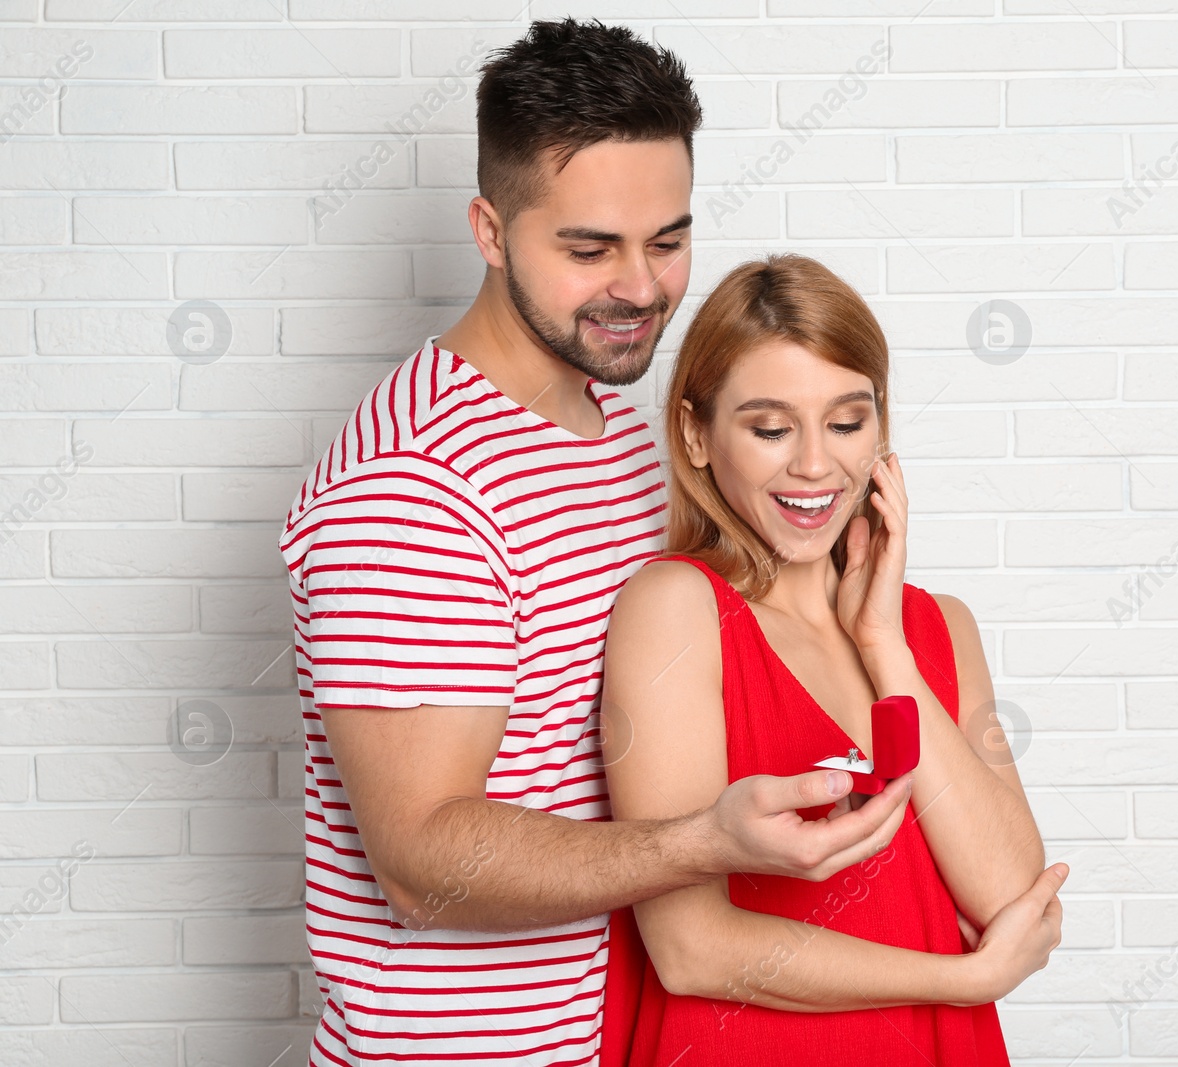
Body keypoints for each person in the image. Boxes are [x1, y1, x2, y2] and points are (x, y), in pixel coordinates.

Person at [276, 21, 919, 1066]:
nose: (639, 287)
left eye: (665, 240)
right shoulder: (411, 489)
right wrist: (704, 841)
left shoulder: (614, 417)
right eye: (588, 249)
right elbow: (422, 858)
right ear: (489, 229)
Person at [597, 254, 1068, 1067]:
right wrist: (961, 979)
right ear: (695, 434)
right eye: (771, 428)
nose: (816, 465)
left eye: (847, 423)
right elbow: (691, 945)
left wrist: (885, 644)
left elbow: (1012, 897)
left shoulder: (936, 628)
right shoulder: (675, 608)